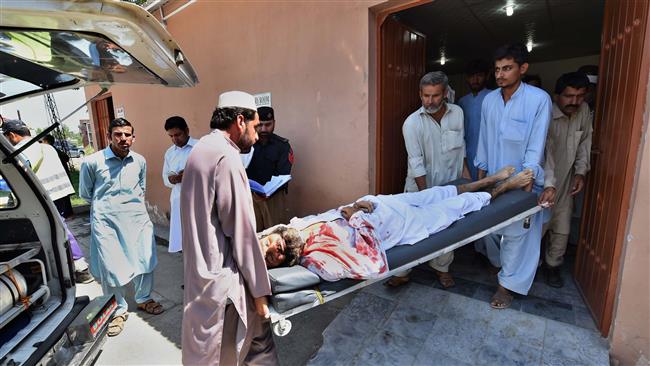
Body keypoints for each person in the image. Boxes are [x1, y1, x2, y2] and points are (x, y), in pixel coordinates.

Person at [261, 167, 533, 281]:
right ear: (286, 262)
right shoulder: (320, 262)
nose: (274, 248)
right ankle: (501, 189)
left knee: (432, 194)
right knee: (453, 209)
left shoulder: (294, 226)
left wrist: (355, 206)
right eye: (274, 258)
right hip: (396, 228)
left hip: (377, 204)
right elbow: (371, 265)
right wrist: (354, 215)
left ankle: (482, 181)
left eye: (267, 244)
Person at [180, 91, 278, 365]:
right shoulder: (227, 157)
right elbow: (243, 234)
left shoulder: (201, 149)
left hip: (200, 275)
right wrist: (260, 295)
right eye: (256, 126)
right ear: (240, 121)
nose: (257, 136)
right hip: (223, 283)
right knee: (251, 351)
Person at [475, 43, 552, 309]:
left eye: (507, 68)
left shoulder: (538, 99)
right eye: (497, 69)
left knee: (518, 237)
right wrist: (481, 175)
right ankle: (501, 268)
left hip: (523, 181)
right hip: (494, 179)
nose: (500, 74)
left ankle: (505, 286)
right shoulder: (489, 101)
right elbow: (484, 140)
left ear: (523, 68)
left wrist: (528, 180)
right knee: (490, 231)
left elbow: (537, 143)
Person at [79, 118, 163, 337]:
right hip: (107, 222)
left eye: (127, 134)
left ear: (133, 137)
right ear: (109, 137)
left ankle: (144, 298)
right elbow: (85, 194)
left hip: (137, 219)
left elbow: (141, 187)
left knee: (145, 259)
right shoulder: (92, 162)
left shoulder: (139, 161)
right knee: (112, 267)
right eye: (118, 134)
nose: (123, 139)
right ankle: (118, 308)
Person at [390, 71, 470, 288]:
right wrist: (427, 196)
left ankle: (441, 268)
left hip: (450, 184)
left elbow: (461, 147)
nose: (430, 101)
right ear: (420, 94)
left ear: (445, 93)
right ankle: (403, 271)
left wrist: (466, 178)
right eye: (425, 96)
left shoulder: (458, 114)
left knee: (448, 227)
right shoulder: (412, 123)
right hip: (419, 186)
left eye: (435, 96)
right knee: (410, 228)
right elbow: (416, 163)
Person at [2, 120, 92, 284]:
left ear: (12, 135)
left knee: (58, 231)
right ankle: (74, 267)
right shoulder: (45, 146)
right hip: (60, 194)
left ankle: (80, 268)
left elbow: (16, 175)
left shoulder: (22, 150)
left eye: (6, 137)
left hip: (44, 198)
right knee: (60, 229)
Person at [537, 72, 593, 288]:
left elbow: (585, 143)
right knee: (536, 229)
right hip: (543, 183)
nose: (575, 101)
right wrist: (549, 184)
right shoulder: (546, 113)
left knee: (562, 229)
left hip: (567, 183)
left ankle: (552, 266)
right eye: (569, 96)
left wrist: (580, 173)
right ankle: (528, 267)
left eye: (580, 96)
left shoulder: (584, 111)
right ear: (557, 96)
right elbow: (546, 153)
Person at [246, 106, 293, 231]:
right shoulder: (246, 145)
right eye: (260, 125)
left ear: (274, 123)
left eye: (268, 125)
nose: (263, 129)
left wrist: (267, 192)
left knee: (276, 235)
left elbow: (284, 174)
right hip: (251, 197)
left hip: (274, 199)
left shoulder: (282, 146)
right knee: (254, 235)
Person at [161, 116, 197, 253]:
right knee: (184, 239)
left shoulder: (199, 147)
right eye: (171, 136)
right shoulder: (170, 153)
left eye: (178, 134)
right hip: (178, 199)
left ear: (187, 131)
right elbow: (165, 177)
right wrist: (172, 179)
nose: (175, 139)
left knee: (200, 236)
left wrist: (189, 175)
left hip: (197, 199)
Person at [457, 59, 491, 181]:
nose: (475, 80)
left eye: (479, 76)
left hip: (490, 153)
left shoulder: (494, 97)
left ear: (487, 76)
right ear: (467, 78)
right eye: (472, 76)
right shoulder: (462, 102)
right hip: (467, 153)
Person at [40, 134, 73, 218]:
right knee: (65, 197)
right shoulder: (55, 150)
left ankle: (66, 213)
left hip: (58, 178)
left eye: (42, 141)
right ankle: (68, 212)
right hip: (61, 177)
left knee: (63, 198)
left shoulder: (51, 150)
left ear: (46, 141)